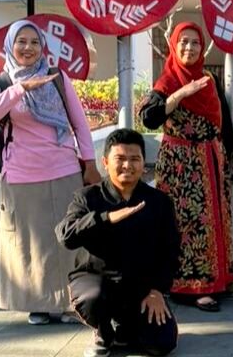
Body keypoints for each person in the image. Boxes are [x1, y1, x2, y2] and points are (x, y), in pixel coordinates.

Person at [0, 20, 100, 325]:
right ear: (10, 45)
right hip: (21, 175)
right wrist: (21, 88)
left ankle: (71, 303)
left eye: (34, 42)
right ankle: (37, 304)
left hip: (64, 169)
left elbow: (79, 123)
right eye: (21, 41)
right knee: (30, 246)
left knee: (69, 242)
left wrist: (90, 163)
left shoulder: (57, 77)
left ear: (43, 47)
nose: (28, 48)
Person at [139, 21, 233, 312]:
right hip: (181, 167)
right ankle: (189, 287)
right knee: (187, 224)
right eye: (183, 41)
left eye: (195, 42)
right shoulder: (166, 82)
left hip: (211, 161)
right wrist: (181, 94)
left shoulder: (208, 79)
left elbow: (223, 119)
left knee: (214, 222)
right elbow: (149, 118)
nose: (189, 48)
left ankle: (214, 281)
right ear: (173, 45)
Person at [56, 128, 179, 357]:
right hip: (96, 280)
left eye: (134, 159)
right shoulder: (87, 197)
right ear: (105, 162)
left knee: (161, 343)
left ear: (143, 163)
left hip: (140, 285)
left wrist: (157, 290)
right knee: (93, 298)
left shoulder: (159, 202)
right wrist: (105, 218)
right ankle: (103, 330)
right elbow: (65, 236)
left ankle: (125, 328)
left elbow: (170, 251)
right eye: (120, 159)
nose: (127, 165)